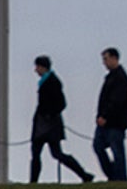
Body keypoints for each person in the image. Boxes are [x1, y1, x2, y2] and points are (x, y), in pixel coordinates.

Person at [30, 55, 94, 183]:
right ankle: (83, 174)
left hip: (49, 124)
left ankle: (84, 174)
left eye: (37, 67)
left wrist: (48, 114)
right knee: (43, 153)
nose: (35, 70)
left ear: (43, 67)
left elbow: (61, 103)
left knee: (53, 153)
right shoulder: (48, 81)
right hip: (45, 123)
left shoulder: (52, 82)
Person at [95, 47, 127, 181]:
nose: (104, 62)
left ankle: (120, 178)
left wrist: (105, 116)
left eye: (106, 59)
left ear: (114, 58)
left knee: (117, 151)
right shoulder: (111, 77)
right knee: (98, 146)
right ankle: (113, 176)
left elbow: (116, 101)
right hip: (106, 121)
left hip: (115, 122)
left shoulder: (120, 78)